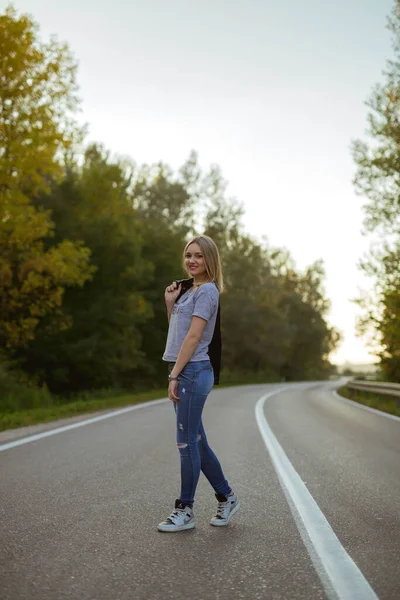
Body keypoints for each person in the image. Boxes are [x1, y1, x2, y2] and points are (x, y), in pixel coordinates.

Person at [157, 235, 240, 533]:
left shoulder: (207, 292)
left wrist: (174, 375)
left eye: (199, 256)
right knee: (197, 442)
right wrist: (170, 303)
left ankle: (185, 509)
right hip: (184, 368)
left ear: (210, 260)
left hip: (193, 371)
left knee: (185, 443)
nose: (192, 260)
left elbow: (193, 339)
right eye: (188, 255)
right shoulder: (186, 291)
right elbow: (178, 333)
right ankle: (227, 497)